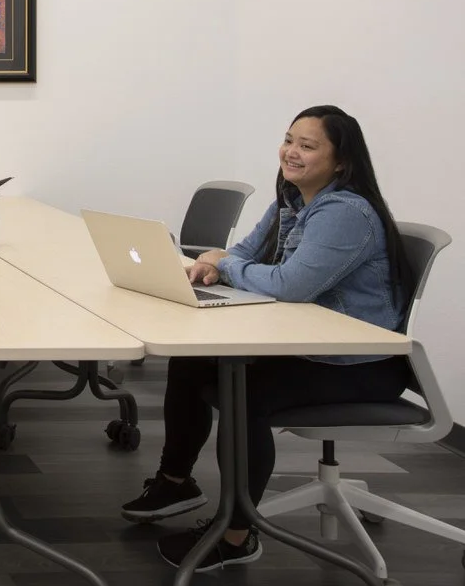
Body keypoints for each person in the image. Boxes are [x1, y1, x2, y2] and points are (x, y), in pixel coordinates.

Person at [121, 105, 413, 571]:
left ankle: (236, 536)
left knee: (243, 396)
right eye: (289, 139)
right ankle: (175, 483)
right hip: (307, 345)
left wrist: (226, 263)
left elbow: (289, 286)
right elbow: (244, 252)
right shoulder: (293, 198)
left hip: (359, 362)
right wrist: (219, 261)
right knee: (193, 362)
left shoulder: (344, 212)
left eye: (307, 145)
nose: (291, 152)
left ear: (341, 161)